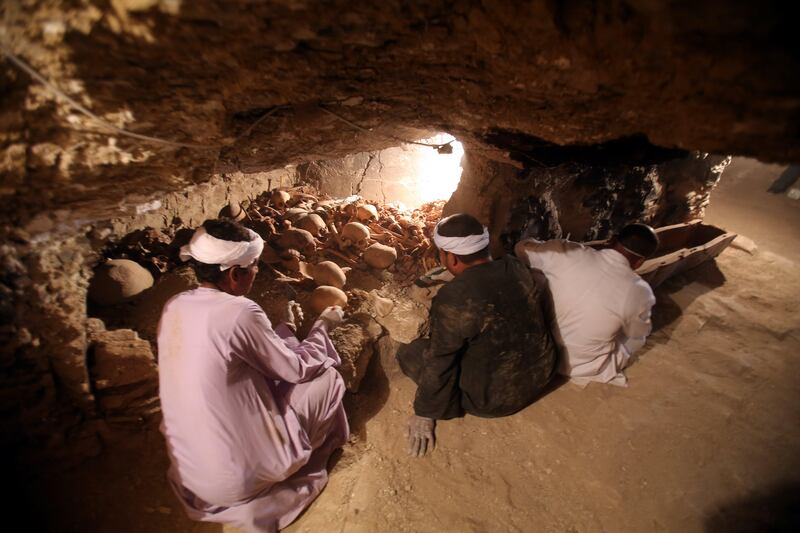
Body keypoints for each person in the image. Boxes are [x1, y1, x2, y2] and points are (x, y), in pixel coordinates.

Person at [157, 219, 348, 533]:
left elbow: (238, 355)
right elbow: (295, 369)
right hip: (236, 479)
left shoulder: (175, 305)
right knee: (328, 377)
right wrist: (322, 327)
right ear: (234, 274)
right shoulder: (241, 311)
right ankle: (318, 447)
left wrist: (284, 329)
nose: (258, 272)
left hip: (193, 473)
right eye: (255, 266)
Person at [397, 213, 558, 457]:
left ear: (450, 257)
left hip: (494, 401)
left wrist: (425, 411)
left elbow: (441, 360)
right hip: (542, 374)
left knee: (410, 352)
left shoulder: (455, 298)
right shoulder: (515, 266)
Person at [514, 223, 659, 387]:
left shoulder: (566, 250)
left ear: (611, 240)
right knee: (633, 328)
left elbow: (521, 248)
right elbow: (637, 335)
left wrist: (534, 241)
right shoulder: (641, 291)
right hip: (579, 366)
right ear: (640, 262)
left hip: (539, 346)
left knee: (541, 274)